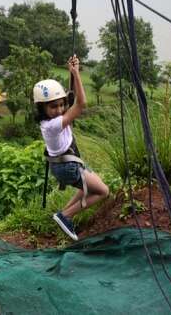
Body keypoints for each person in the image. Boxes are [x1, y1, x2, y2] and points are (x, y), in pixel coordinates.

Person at [33, 55, 109, 241]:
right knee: (103, 191)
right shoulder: (53, 125)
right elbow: (81, 104)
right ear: (42, 108)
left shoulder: (49, 120)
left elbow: (71, 98)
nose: (59, 109)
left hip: (64, 164)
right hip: (67, 166)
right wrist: (76, 72)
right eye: (53, 107)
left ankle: (62, 215)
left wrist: (72, 74)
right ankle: (65, 216)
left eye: (61, 105)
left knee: (89, 187)